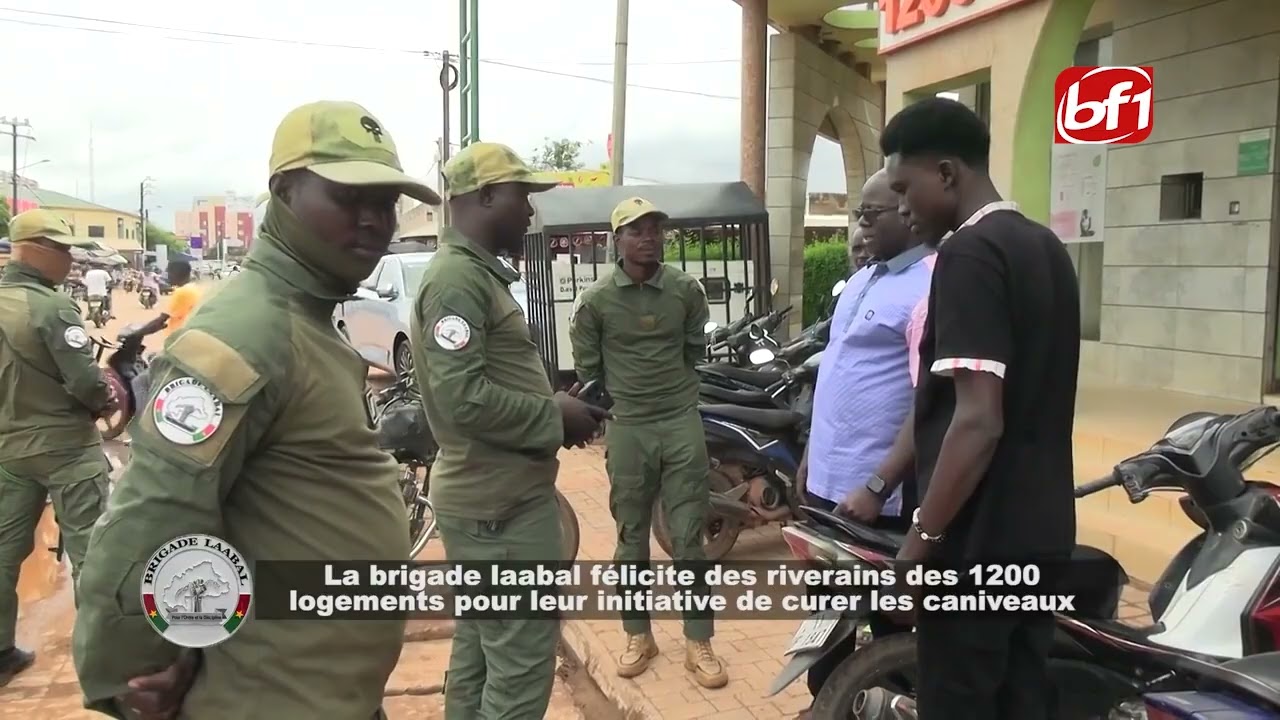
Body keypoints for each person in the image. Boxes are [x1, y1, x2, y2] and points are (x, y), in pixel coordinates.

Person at [73, 100, 445, 719]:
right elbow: (155, 520)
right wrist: (131, 673)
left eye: (384, 203)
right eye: (348, 198)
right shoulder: (246, 333)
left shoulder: (307, 320)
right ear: (285, 193)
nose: (374, 221)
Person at [880, 96, 1080, 720]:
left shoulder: (968, 255)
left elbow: (978, 418)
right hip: (1043, 539)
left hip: (976, 550)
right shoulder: (1045, 248)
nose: (904, 210)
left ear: (947, 173)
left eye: (905, 189)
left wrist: (918, 543)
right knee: (1022, 701)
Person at [409, 142, 609, 720]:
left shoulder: (474, 276)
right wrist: (552, 417)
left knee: (478, 650)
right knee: (519, 671)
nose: (529, 212)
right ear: (485, 196)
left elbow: (477, 386)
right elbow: (461, 398)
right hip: (499, 512)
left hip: (495, 501)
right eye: (523, 196)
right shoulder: (456, 281)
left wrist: (550, 405)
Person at [569, 197, 728, 688]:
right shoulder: (596, 301)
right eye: (637, 231)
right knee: (630, 540)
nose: (650, 238)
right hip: (629, 426)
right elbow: (588, 370)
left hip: (680, 422)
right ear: (617, 239)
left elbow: (693, 350)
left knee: (688, 539)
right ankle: (638, 634)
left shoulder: (685, 290)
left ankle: (698, 641)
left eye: (656, 230)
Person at [0, 210, 117, 687]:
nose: (70, 259)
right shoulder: (51, 308)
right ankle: (105, 656)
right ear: (34, 249)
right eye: (63, 249)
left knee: (5, 553)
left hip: (8, 450)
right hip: (67, 448)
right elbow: (87, 383)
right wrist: (106, 398)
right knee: (94, 550)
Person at [124, 259, 201, 340]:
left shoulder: (182, 292)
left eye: (168, 273)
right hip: (186, 336)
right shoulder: (194, 288)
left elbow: (160, 321)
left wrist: (135, 334)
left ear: (175, 273)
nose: (167, 276)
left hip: (178, 340)